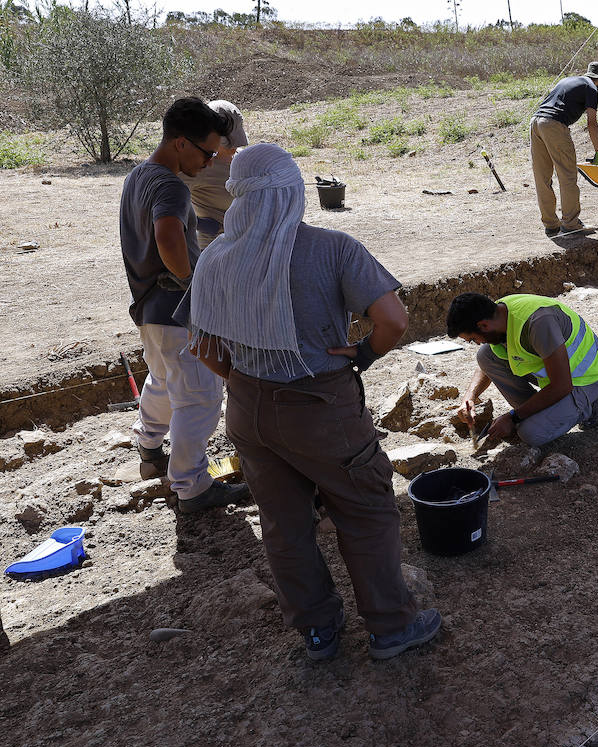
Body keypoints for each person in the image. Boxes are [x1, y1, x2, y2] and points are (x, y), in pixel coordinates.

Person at [184, 142, 440, 662]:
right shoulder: (333, 248)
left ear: (239, 199)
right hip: (322, 406)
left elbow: (202, 345)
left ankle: (318, 630)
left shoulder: (216, 255)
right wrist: (364, 353)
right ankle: (391, 627)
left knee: (283, 525)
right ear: (294, 192)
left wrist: (244, 380)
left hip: (249, 409)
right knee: (366, 511)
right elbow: (393, 321)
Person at [119, 97, 247, 513]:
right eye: (207, 153)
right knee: (201, 397)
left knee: (164, 381)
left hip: (150, 309)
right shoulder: (171, 185)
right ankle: (192, 487)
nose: (210, 162)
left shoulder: (138, 175)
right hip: (176, 309)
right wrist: (195, 287)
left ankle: (149, 446)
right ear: (180, 143)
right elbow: (169, 237)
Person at [447, 292, 598, 448]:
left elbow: (562, 386)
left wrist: (513, 417)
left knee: (530, 433)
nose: (476, 343)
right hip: (558, 374)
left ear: (483, 325)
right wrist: (470, 397)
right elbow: (485, 364)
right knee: (485, 356)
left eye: (473, 339)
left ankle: (587, 407)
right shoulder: (498, 315)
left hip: (586, 376)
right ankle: (541, 411)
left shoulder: (538, 323)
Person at [530, 61, 598, 237]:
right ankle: (571, 223)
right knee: (567, 175)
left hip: (536, 122)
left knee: (542, 177)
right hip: (554, 125)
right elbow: (592, 122)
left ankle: (551, 225)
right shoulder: (591, 88)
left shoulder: (569, 80)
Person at [182, 100, 250, 250]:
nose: (234, 146)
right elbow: (163, 204)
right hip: (215, 250)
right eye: (227, 141)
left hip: (248, 246)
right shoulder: (197, 168)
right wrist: (200, 223)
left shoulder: (242, 158)